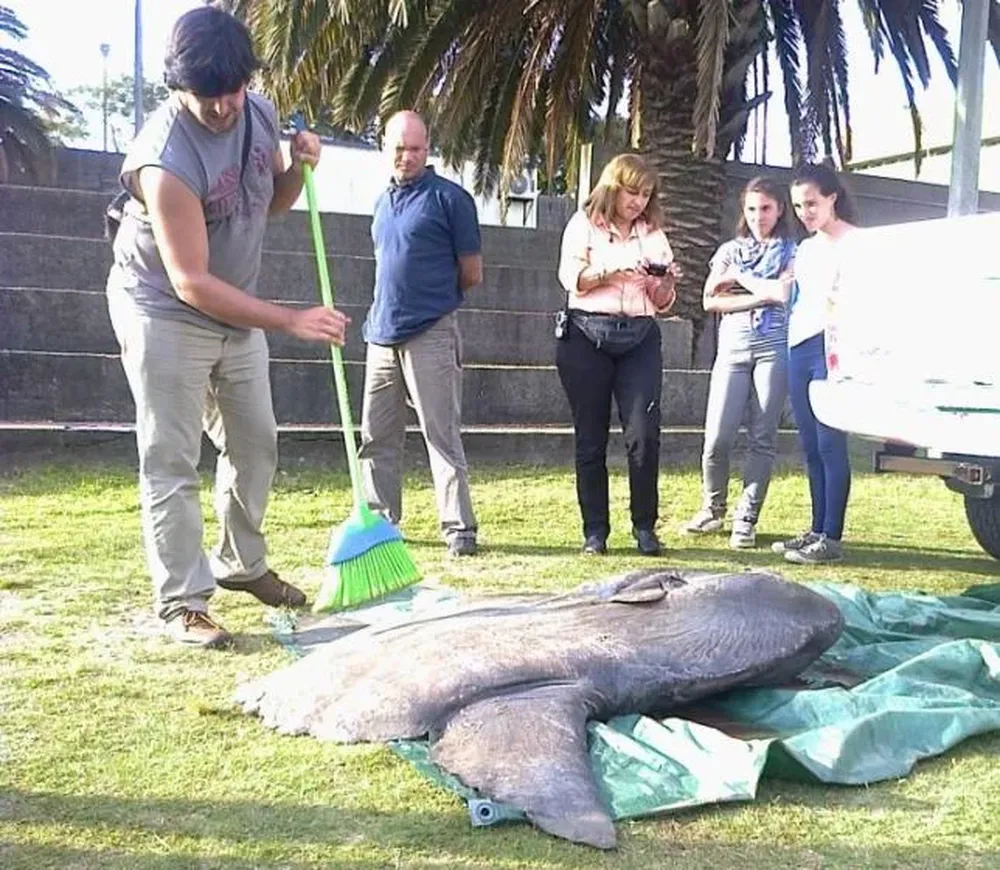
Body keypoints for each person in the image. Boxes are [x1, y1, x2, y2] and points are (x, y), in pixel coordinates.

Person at [105, 7, 349, 648]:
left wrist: (300, 167)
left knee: (256, 442)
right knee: (171, 457)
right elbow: (191, 280)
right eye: (208, 96)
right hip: (164, 308)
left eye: (234, 90)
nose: (224, 107)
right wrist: (292, 319)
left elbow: (265, 202)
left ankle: (242, 563)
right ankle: (184, 601)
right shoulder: (163, 159)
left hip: (231, 305)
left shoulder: (258, 113)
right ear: (177, 86)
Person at [358, 110, 483, 558]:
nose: (406, 156)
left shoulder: (451, 199)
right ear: (384, 147)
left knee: (441, 433)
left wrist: (432, 301)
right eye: (398, 148)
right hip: (380, 333)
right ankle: (380, 520)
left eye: (414, 148)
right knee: (376, 435)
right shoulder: (381, 202)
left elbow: (471, 272)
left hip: (431, 330)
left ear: (427, 148)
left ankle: (459, 527)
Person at [556, 153, 680, 556]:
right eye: (632, 192)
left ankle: (645, 527)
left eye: (646, 195)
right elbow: (572, 279)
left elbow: (663, 302)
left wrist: (661, 281)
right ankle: (595, 531)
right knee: (590, 437)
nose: (638, 202)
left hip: (640, 335)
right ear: (613, 187)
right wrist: (612, 270)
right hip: (586, 334)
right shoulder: (583, 224)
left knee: (644, 435)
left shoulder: (652, 232)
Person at [684, 176, 797, 549]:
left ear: (779, 209)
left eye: (765, 208)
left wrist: (740, 282)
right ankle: (712, 508)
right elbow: (710, 301)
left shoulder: (792, 252)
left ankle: (745, 518)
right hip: (732, 350)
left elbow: (784, 293)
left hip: (773, 349)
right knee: (717, 436)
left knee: (762, 437)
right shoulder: (729, 251)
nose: (758, 216)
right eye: (751, 209)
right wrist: (758, 295)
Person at [772, 163, 857, 564]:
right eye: (798, 206)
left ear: (832, 198)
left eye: (812, 203)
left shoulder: (856, 243)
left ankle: (832, 536)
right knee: (809, 444)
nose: (805, 212)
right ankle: (817, 527)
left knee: (830, 441)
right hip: (799, 346)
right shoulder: (805, 249)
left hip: (833, 346)